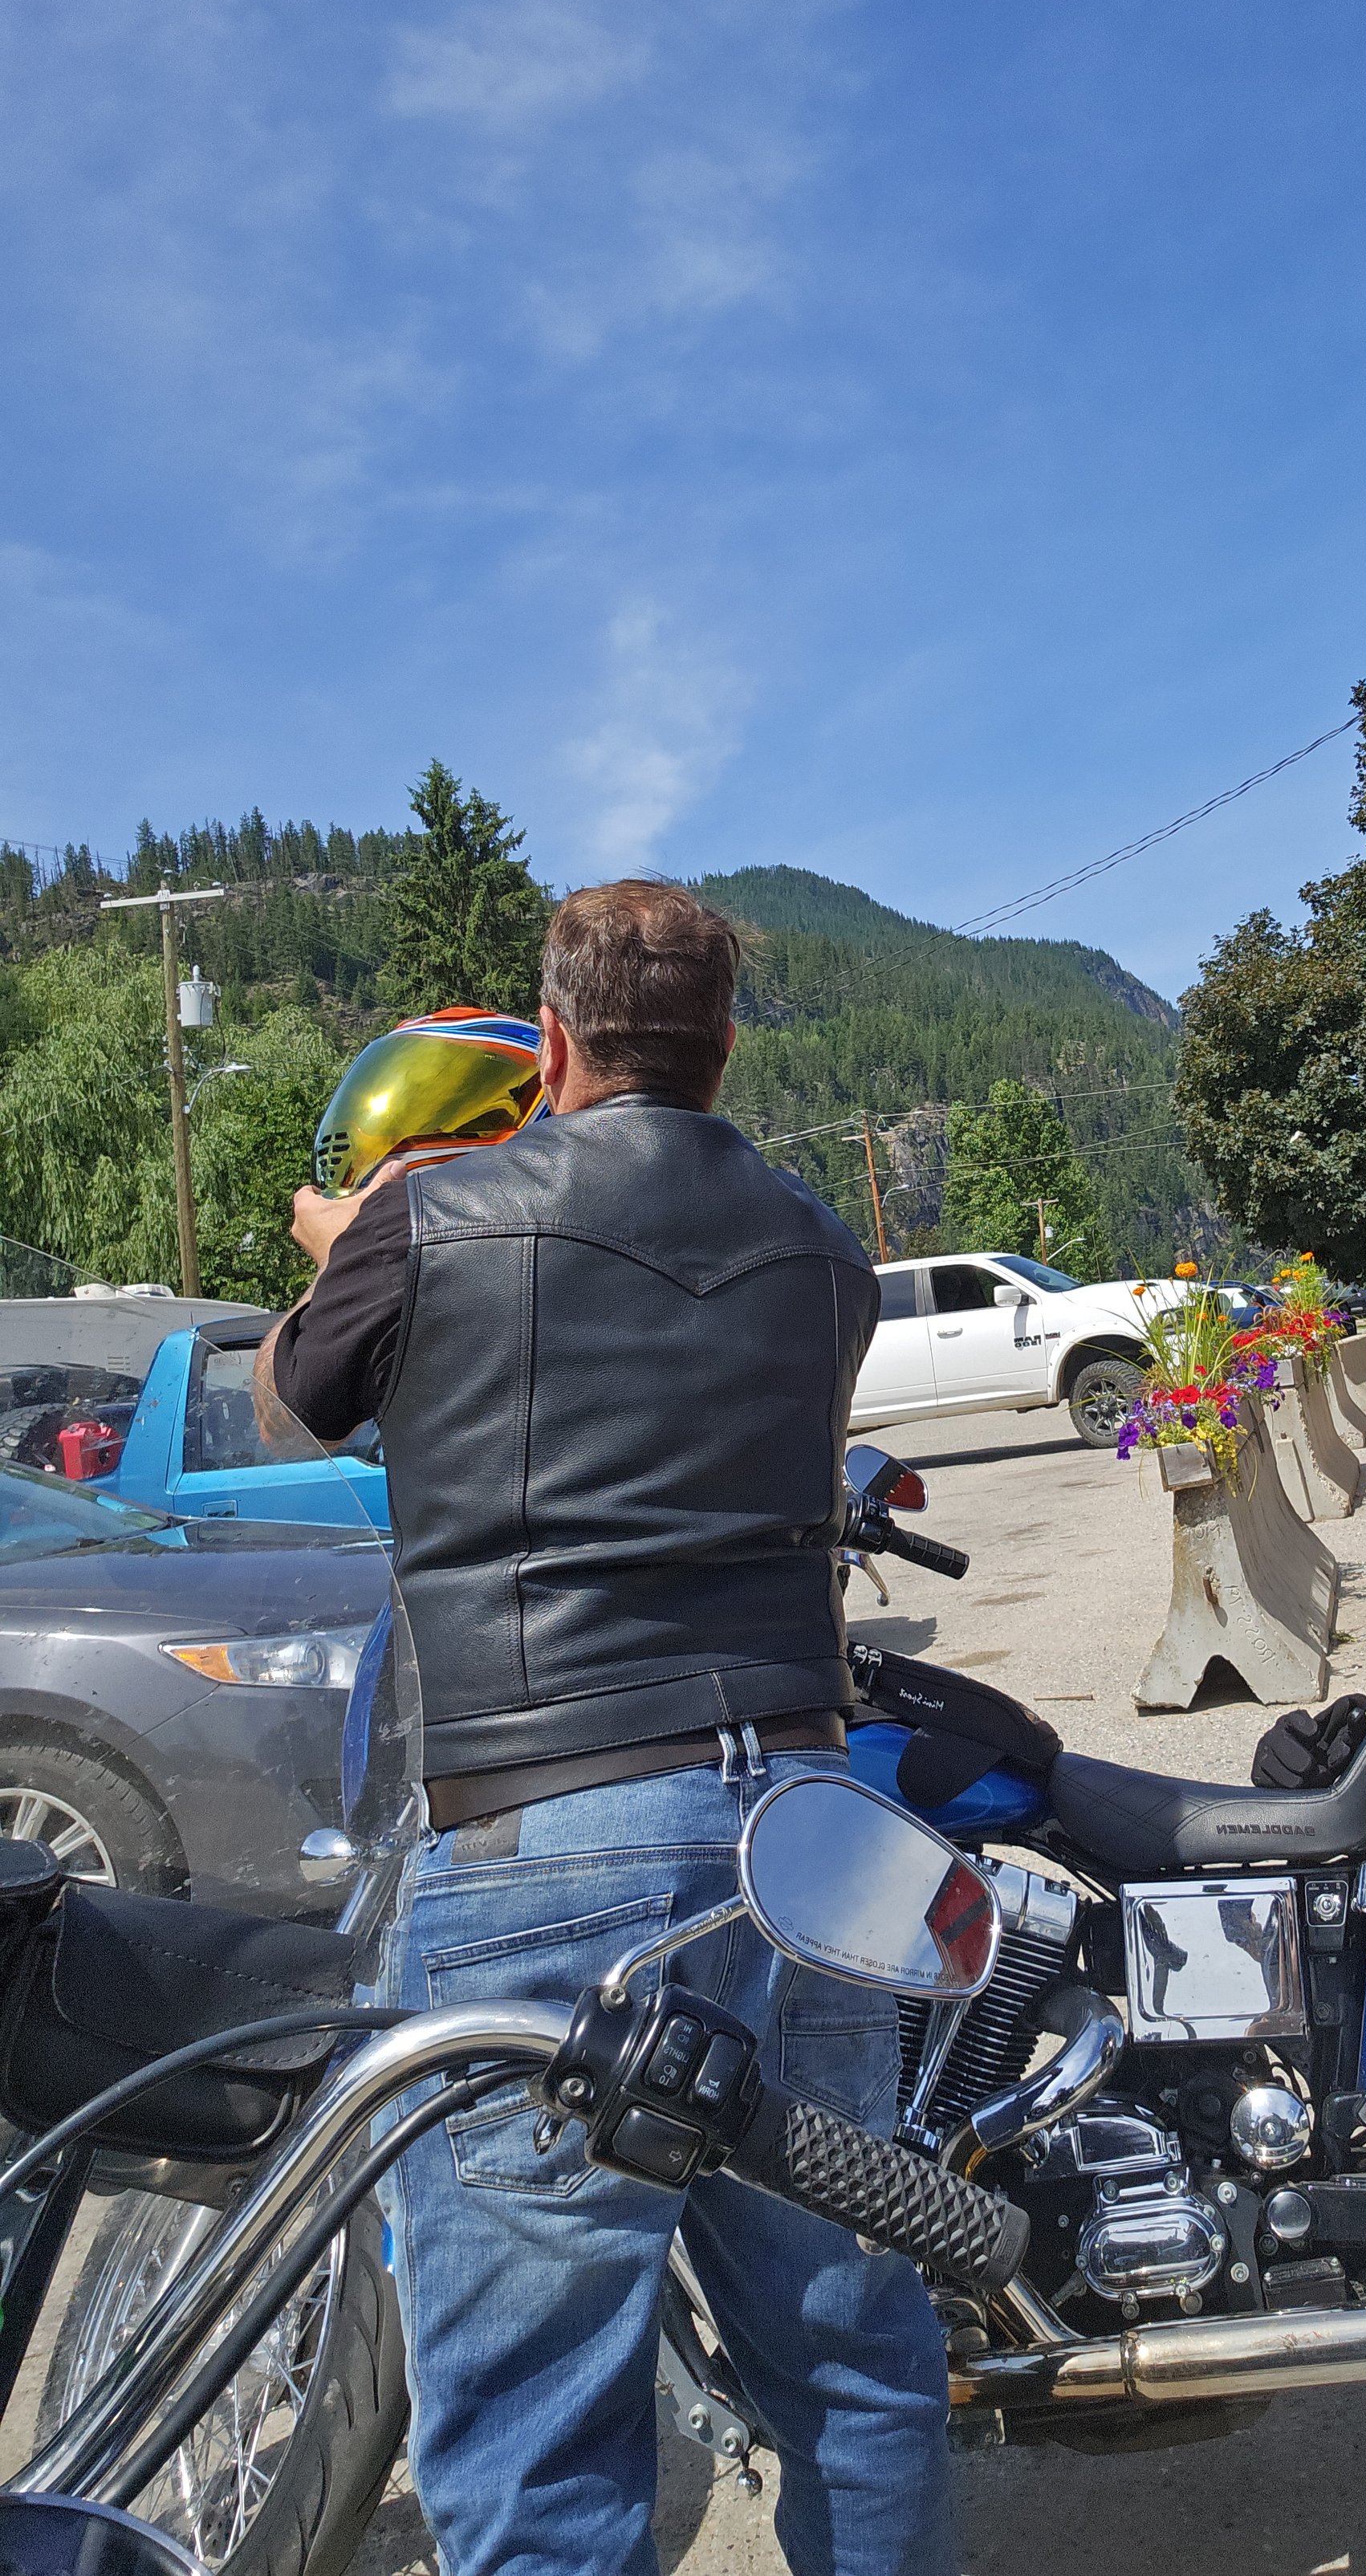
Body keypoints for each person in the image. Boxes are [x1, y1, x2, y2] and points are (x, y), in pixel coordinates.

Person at [255, 880, 952, 2576]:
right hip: (811, 1830)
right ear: (725, 1046)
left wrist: (349, 1248)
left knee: (536, 2419)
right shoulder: (825, 1246)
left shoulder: (435, 1217)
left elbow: (295, 1398)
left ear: (553, 1043)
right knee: (853, 2357)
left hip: (547, 1837)